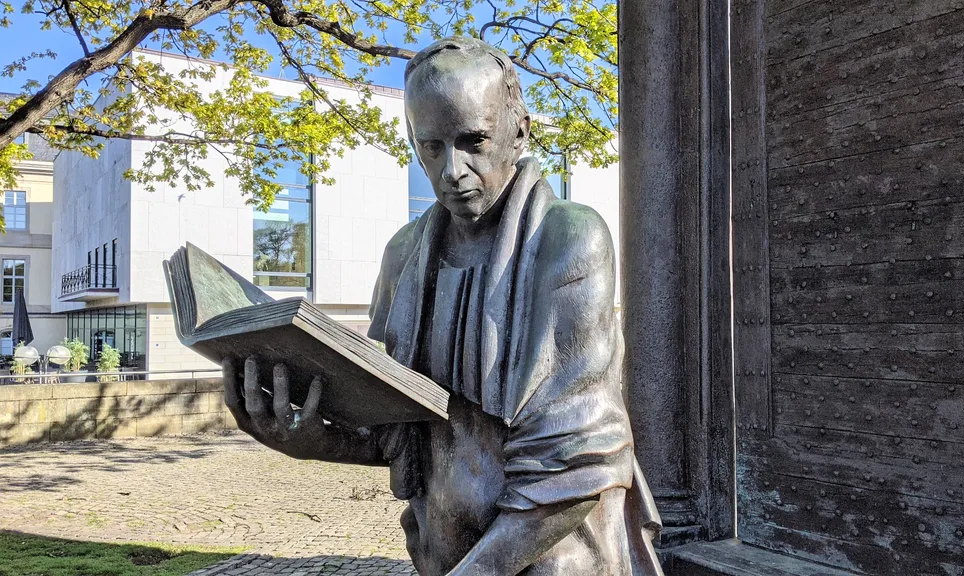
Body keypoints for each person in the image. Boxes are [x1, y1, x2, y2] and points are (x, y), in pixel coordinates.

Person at [222, 37, 663, 575]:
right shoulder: (404, 254)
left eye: (473, 140)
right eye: (430, 146)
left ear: (519, 130)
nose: (451, 169)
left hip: (555, 563)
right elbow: (399, 431)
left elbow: (578, 463)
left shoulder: (569, 239)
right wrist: (312, 439)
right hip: (439, 554)